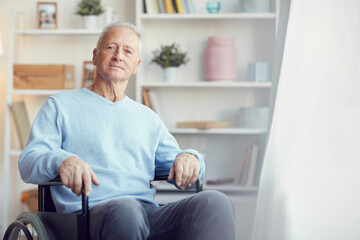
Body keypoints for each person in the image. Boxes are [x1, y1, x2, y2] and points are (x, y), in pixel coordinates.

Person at [19, 22, 235, 239]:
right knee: (126, 209)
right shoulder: (60, 106)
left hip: (148, 213)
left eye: (128, 51)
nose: (118, 56)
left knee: (215, 202)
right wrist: (61, 160)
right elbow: (29, 161)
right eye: (111, 47)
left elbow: (177, 162)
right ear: (95, 56)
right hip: (87, 215)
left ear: (136, 65)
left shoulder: (147, 117)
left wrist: (191, 158)